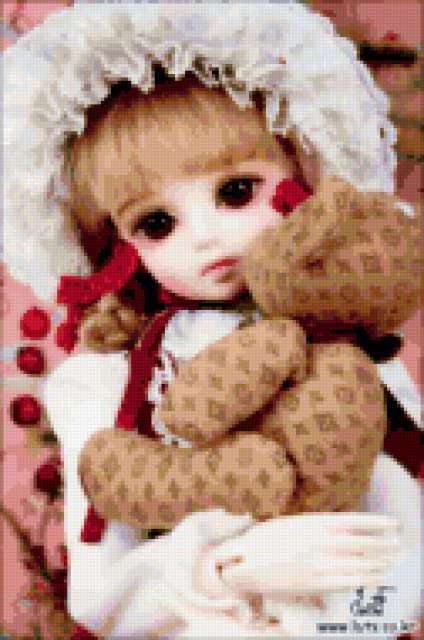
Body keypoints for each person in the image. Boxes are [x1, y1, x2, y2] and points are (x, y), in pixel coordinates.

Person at [4, 2, 421, 637]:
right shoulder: (109, 382)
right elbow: (99, 595)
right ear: (118, 251)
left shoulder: (346, 343)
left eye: (236, 191)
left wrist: (362, 613)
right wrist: (232, 567)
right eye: (157, 223)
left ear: (302, 181)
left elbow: (404, 518)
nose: (205, 237)